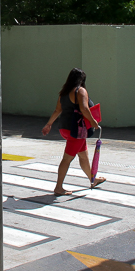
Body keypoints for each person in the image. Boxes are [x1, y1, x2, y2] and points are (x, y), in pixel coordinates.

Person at [41, 68, 105, 196]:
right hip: (76, 131)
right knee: (66, 159)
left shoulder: (64, 93)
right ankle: (58, 187)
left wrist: (49, 124)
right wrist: (93, 122)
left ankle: (93, 180)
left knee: (83, 157)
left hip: (64, 128)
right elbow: (85, 109)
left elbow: (57, 110)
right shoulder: (80, 91)